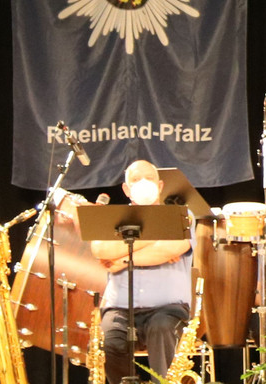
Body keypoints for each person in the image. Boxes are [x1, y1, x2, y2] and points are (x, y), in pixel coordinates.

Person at [89, 160, 193, 384]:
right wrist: (153, 235)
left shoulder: (180, 215)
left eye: (149, 178)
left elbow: (175, 247)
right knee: (109, 342)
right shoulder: (113, 219)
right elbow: (100, 249)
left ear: (161, 185)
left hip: (168, 311)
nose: (143, 183)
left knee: (162, 329)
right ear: (126, 189)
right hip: (120, 309)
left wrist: (123, 259)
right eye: (136, 180)